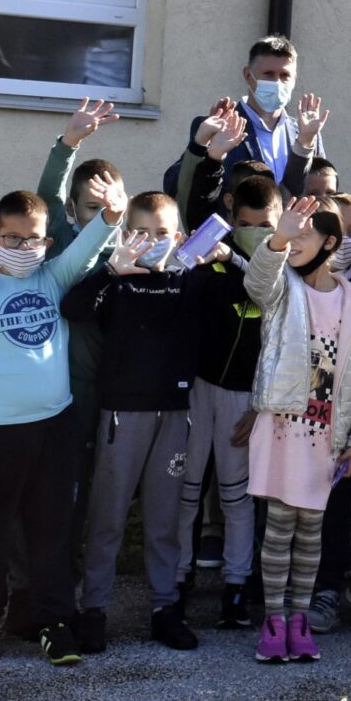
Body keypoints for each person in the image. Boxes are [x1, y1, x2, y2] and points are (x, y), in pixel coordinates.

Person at [0, 172, 126, 664]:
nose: (23, 247)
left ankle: (55, 623)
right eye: (12, 238)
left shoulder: (54, 278)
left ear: (47, 242)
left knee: (53, 531)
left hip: (55, 430)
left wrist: (112, 215)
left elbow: (87, 248)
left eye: (33, 239)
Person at [60, 192, 209, 654]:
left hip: (176, 414)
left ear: (178, 237)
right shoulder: (118, 282)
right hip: (122, 415)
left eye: (162, 233)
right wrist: (111, 269)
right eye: (142, 233)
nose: (152, 241)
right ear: (127, 236)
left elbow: (241, 296)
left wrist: (220, 259)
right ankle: (94, 609)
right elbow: (72, 308)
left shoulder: (188, 280)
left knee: (164, 520)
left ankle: (165, 608)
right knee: (107, 518)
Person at [243, 196, 351, 664]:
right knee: (279, 528)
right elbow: (257, 282)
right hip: (282, 428)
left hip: (327, 436)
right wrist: (277, 240)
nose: (296, 242)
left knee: (312, 532)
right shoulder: (284, 288)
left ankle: (300, 619)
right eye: (291, 234)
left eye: (305, 235)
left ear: (331, 242)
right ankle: (273, 621)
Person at [164, 36, 328, 198]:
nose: (277, 83)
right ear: (248, 75)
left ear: (295, 79)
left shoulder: (306, 134)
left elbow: (320, 195)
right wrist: (204, 144)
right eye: (268, 74)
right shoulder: (217, 126)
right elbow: (174, 188)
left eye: (285, 75)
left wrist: (306, 141)